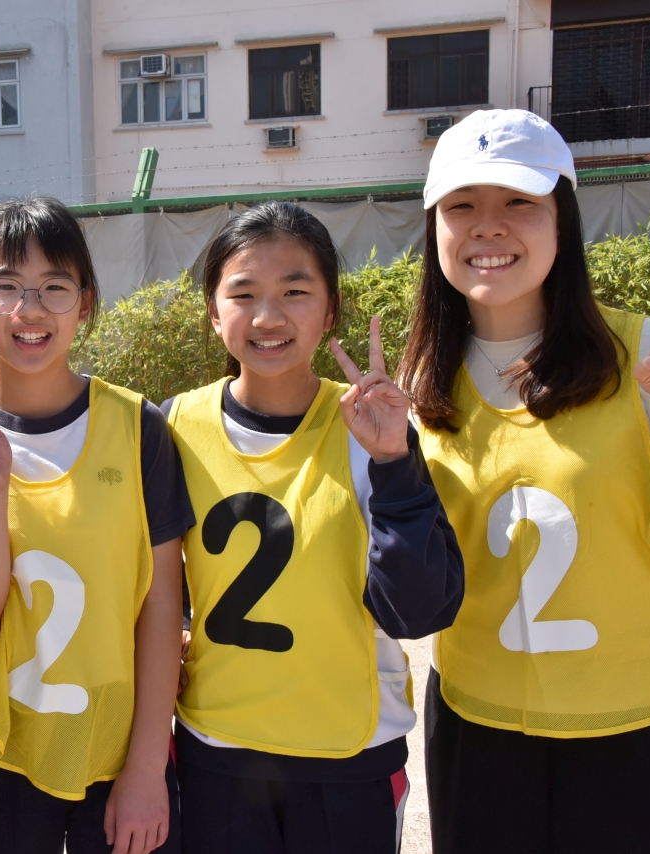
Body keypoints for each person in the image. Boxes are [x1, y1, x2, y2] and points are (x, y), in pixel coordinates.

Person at [398, 109, 650, 853]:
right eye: (461, 205)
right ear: (434, 226)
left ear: (562, 220)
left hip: (647, 729)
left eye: (519, 201)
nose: (488, 225)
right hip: (480, 732)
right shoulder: (416, 386)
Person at [161, 201, 463, 854]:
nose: (268, 317)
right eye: (244, 293)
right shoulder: (174, 427)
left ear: (330, 311)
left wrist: (393, 460)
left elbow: (418, 612)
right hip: (217, 750)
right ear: (213, 313)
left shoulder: (371, 427)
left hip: (349, 755)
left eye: (295, 292)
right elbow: (150, 577)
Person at [0, 197, 192, 854]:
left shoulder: (137, 427)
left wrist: (147, 767)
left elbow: (160, 605)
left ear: (85, 304)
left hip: (121, 746)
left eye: (54, 288)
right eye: (6, 286)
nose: (29, 309)